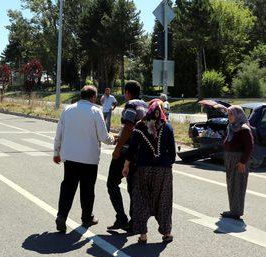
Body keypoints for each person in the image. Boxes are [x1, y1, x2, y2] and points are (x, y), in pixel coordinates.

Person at [53, 85, 117, 233]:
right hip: (89, 159)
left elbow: (59, 133)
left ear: (81, 95)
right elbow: (103, 136)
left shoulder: (67, 110)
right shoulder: (96, 111)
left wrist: (56, 152)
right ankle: (86, 217)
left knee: (68, 188)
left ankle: (62, 216)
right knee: (87, 190)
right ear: (93, 97)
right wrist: (114, 139)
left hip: (70, 158)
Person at [122, 99, 176, 244]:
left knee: (141, 199)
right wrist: (164, 163)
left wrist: (126, 166)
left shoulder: (140, 126)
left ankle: (143, 235)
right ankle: (166, 233)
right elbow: (172, 154)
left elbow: (132, 149)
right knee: (163, 201)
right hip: (163, 172)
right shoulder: (167, 127)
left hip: (143, 169)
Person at [108, 80, 148, 231]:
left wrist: (118, 147)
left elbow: (129, 127)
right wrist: (120, 136)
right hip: (140, 151)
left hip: (127, 151)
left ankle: (121, 218)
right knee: (133, 187)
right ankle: (134, 221)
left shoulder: (130, 105)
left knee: (112, 183)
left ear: (127, 92)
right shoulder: (145, 105)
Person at [221, 105, 254, 220]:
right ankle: (233, 210)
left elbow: (249, 147)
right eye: (228, 114)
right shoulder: (231, 127)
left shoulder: (244, 128)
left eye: (231, 114)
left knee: (238, 185)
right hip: (230, 159)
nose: (229, 116)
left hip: (239, 160)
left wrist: (243, 162)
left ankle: (237, 211)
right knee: (231, 184)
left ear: (238, 115)